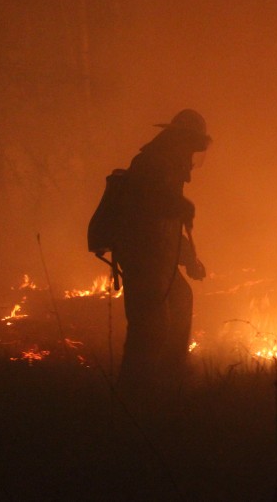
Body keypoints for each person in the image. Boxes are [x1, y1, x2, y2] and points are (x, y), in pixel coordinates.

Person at [116, 109, 210, 395]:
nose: (191, 161)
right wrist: (178, 206)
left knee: (180, 299)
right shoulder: (151, 166)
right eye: (190, 148)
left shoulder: (167, 168)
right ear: (179, 140)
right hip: (143, 261)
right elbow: (146, 215)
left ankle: (171, 377)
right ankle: (135, 393)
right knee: (149, 326)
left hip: (158, 260)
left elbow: (167, 231)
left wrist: (188, 260)